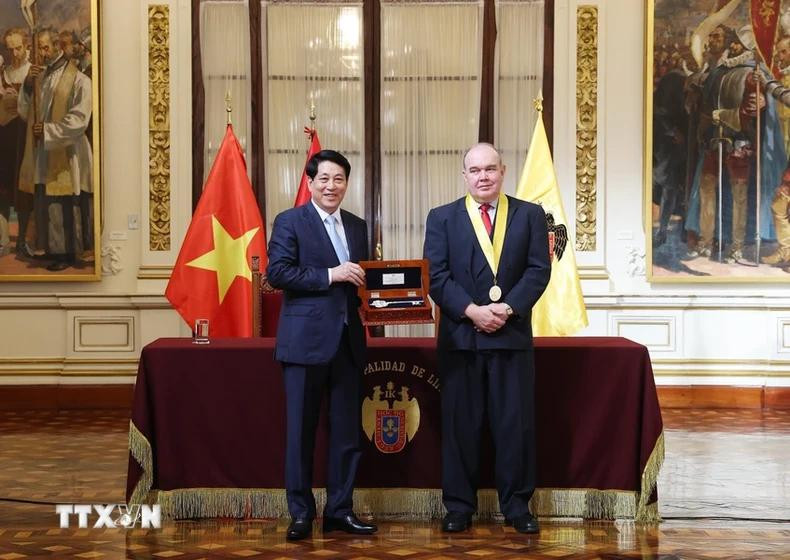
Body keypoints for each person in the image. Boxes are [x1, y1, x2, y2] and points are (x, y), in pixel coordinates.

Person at [423, 143, 551, 534]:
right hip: (462, 339)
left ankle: (517, 507)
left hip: (511, 336)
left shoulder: (529, 215)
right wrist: (472, 311)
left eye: (490, 169)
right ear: (464, 176)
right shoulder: (442, 218)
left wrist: (507, 309)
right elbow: (437, 276)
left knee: (515, 426)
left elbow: (538, 270)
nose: (483, 176)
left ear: (503, 171)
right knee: (461, 426)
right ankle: (459, 507)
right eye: (475, 170)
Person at [266, 150, 376, 541]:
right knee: (300, 433)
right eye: (324, 179)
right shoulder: (290, 221)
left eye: (339, 179)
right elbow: (277, 273)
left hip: (348, 344)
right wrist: (331, 274)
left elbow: (366, 282)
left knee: (347, 434)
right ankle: (300, 513)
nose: (332, 186)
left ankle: (340, 511)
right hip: (304, 344)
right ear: (310, 182)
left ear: (348, 183)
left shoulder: (359, 226)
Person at [17, 27, 93, 271]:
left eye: (45, 47)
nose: (42, 53)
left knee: (65, 202)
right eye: (37, 48)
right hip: (46, 151)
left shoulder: (80, 79)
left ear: (59, 47)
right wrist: (29, 86)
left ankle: (69, 252)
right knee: (47, 201)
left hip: (69, 151)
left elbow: (80, 119)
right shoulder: (42, 76)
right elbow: (25, 112)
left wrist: (48, 131)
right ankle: (52, 248)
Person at [0, 28, 31, 257]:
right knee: (3, 188)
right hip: (4, 136)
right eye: (10, 49)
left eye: (18, 48)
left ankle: (22, 240)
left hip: (24, 135)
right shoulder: (5, 71)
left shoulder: (33, 70)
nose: (14, 53)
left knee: (23, 188)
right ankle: (3, 241)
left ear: (26, 45)